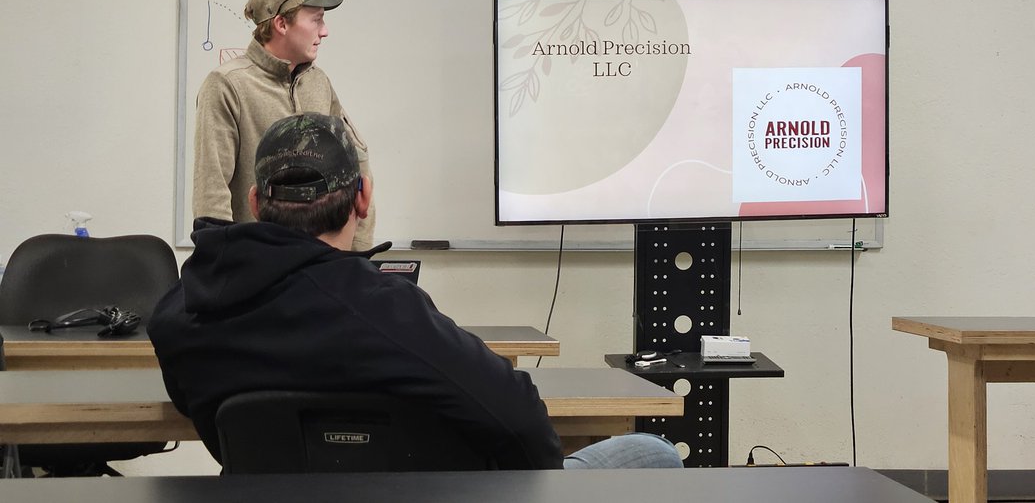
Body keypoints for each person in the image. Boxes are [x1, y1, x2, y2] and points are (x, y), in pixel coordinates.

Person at [150, 113, 681, 471]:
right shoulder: (380, 307)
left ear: (255, 201)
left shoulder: (180, 315)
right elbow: (523, 425)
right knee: (651, 452)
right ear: (362, 199)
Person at [192, 0, 374, 251]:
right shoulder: (227, 85)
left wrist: (359, 256)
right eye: (316, 20)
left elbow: (358, 166)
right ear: (281, 23)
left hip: (323, 268)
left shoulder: (318, 81)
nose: (324, 31)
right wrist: (223, 270)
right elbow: (211, 190)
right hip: (258, 270)